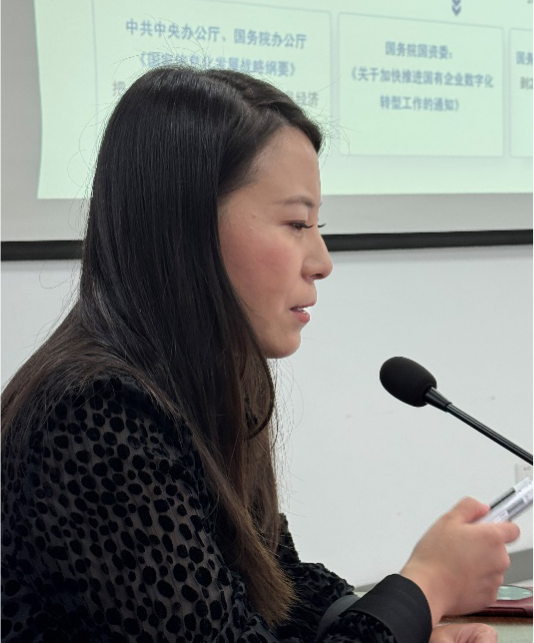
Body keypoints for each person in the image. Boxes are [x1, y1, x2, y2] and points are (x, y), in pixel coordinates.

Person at [0, 66, 518, 643]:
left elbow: (275, 588)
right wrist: (425, 588)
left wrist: (405, 627)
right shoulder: (93, 415)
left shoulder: (208, 380)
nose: (322, 261)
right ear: (187, 227)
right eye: (296, 223)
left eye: (317, 225)